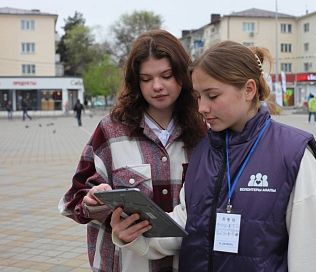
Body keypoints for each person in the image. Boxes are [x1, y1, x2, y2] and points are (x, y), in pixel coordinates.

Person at [110, 41, 316, 272]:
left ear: (248, 90)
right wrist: (135, 234)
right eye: (198, 97)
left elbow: (311, 253)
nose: (202, 107)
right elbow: (184, 225)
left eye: (212, 96)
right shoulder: (203, 149)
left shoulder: (293, 153)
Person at [58, 29, 206, 272]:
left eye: (166, 75)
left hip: (187, 263)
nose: (157, 86)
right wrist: (93, 202)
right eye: (146, 79)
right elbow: (74, 198)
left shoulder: (204, 131)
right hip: (125, 263)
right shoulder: (111, 130)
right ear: (135, 82)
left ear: (183, 74)